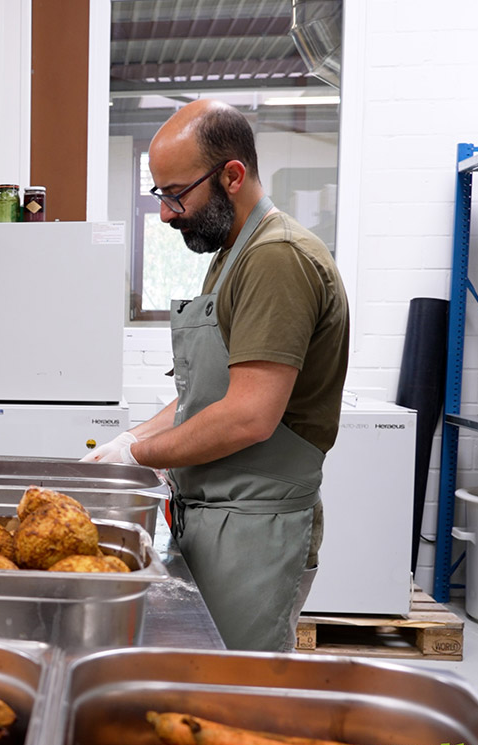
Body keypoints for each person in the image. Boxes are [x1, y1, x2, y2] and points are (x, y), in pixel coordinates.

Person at [84, 100, 349, 651]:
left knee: (233, 697)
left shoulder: (276, 257)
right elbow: (205, 398)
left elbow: (249, 415)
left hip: (254, 531)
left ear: (232, 175)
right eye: (159, 195)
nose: (165, 213)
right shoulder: (233, 253)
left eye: (176, 193)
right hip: (217, 517)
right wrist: (131, 439)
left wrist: (140, 459)